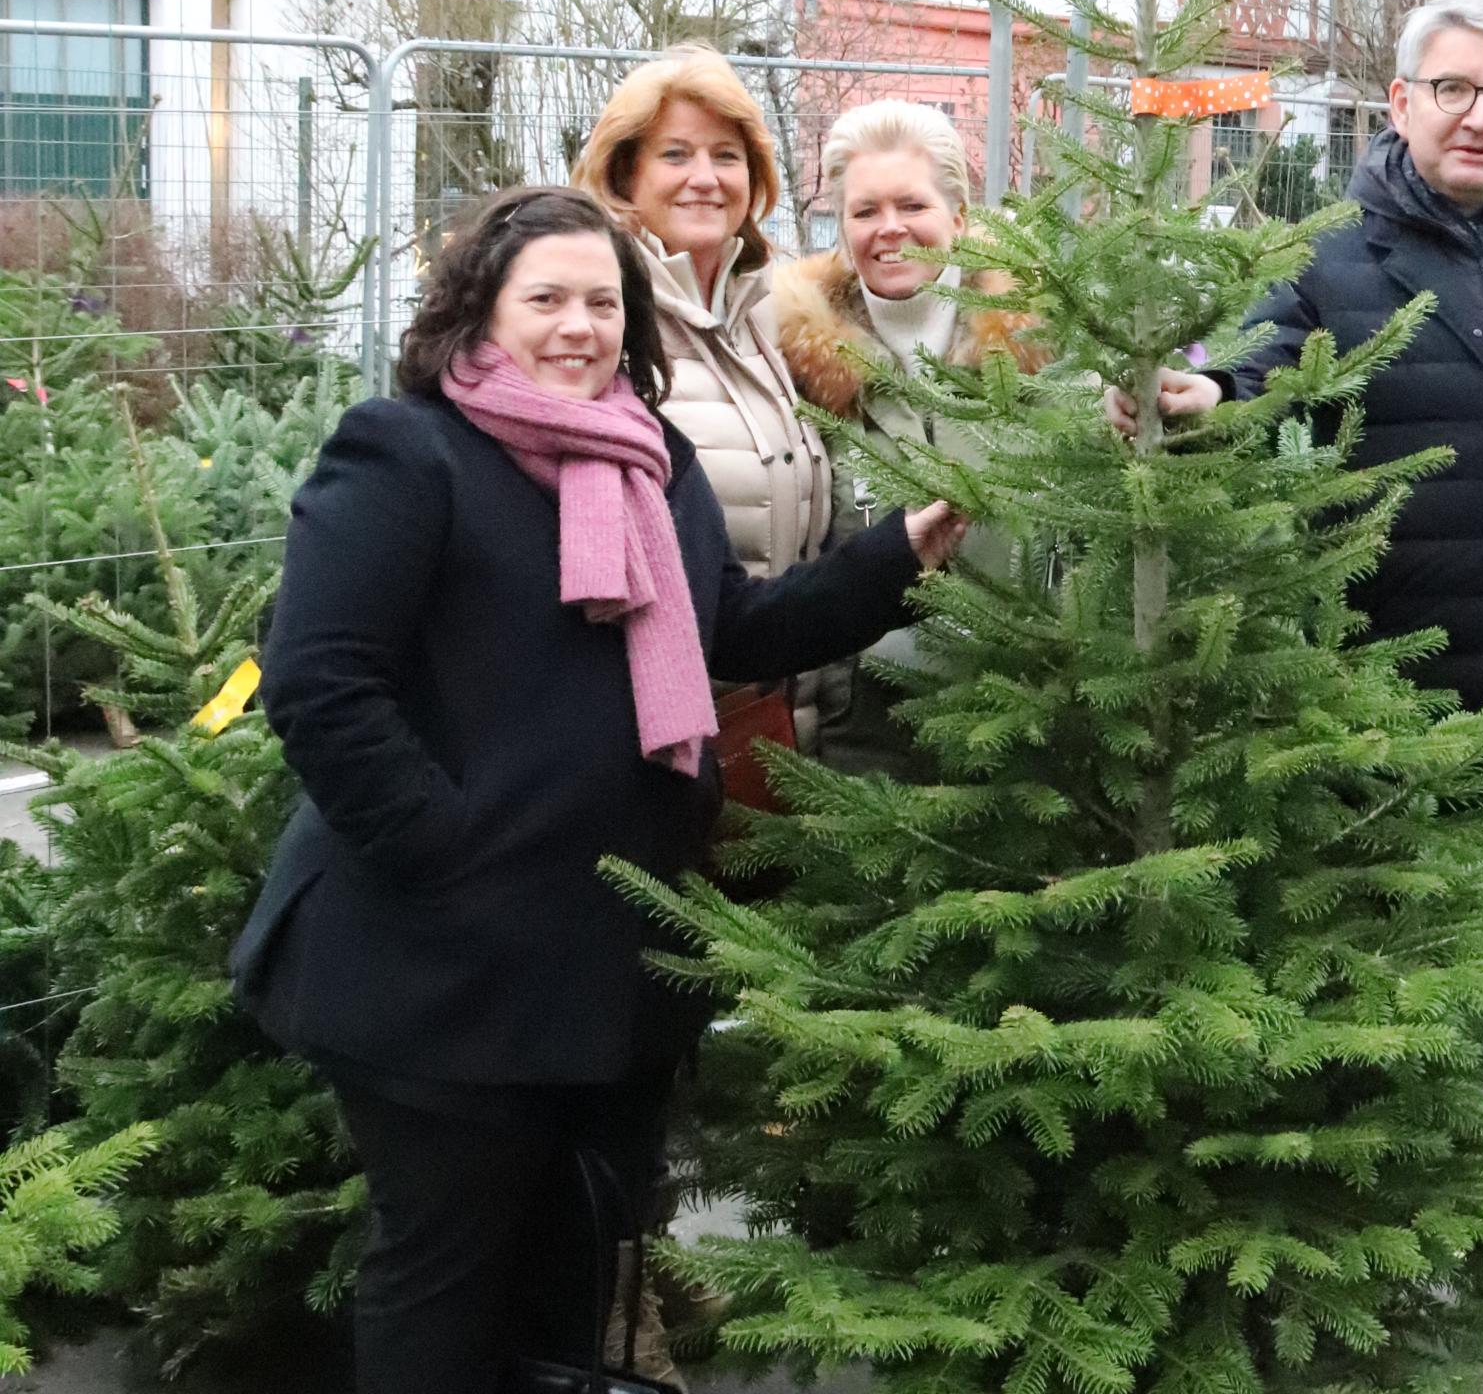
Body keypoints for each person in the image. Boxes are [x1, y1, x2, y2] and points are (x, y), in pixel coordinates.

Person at [230, 188, 962, 1394]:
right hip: (435, 960)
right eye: (546, 299)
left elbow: (730, 624)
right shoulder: (405, 451)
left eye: (602, 302)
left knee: (571, 1265)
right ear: (478, 309)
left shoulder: (648, 456)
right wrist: (446, 851)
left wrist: (897, 555)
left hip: (605, 948)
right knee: (445, 1270)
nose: (577, 325)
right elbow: (318, 680)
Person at [1107, 0, 1483, 1385]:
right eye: (1455, 88)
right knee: (1386, 997)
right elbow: (1241, 383)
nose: (1481, 114)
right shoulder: (1333, 260)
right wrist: (1186, 398)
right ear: (1401, 100)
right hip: (1392, 704)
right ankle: (1366, 1269)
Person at [774, 100, 1044, 778]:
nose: (890, 229)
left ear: (957, 217)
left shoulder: (1037, 350)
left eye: (912, 205)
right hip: (863, 748)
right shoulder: (793, 364)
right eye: (865, 212)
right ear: (842, 227)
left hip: (1022, 743)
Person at [573, 48, 835, 746]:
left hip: (779, 729)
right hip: (653, 738)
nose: (705, 179)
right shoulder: (598, 323)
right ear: (625, 172)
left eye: (726, 155)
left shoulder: (772, 317)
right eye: (676, 154)